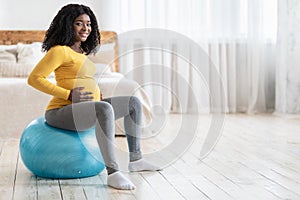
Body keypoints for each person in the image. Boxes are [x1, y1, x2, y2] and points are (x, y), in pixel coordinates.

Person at [27, 3, 159, 190]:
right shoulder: (59, 50)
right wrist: (68, 94)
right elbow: (34, 78)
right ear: (67, 24)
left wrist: (96, 92)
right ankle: (113, 172)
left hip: (85, 108)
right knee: (105, 108)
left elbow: (80, 78)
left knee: (133, 103)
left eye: (88, 24)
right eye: (79, 23)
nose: (85, 28)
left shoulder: (81, 52)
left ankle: (136, 160)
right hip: (60, 111)